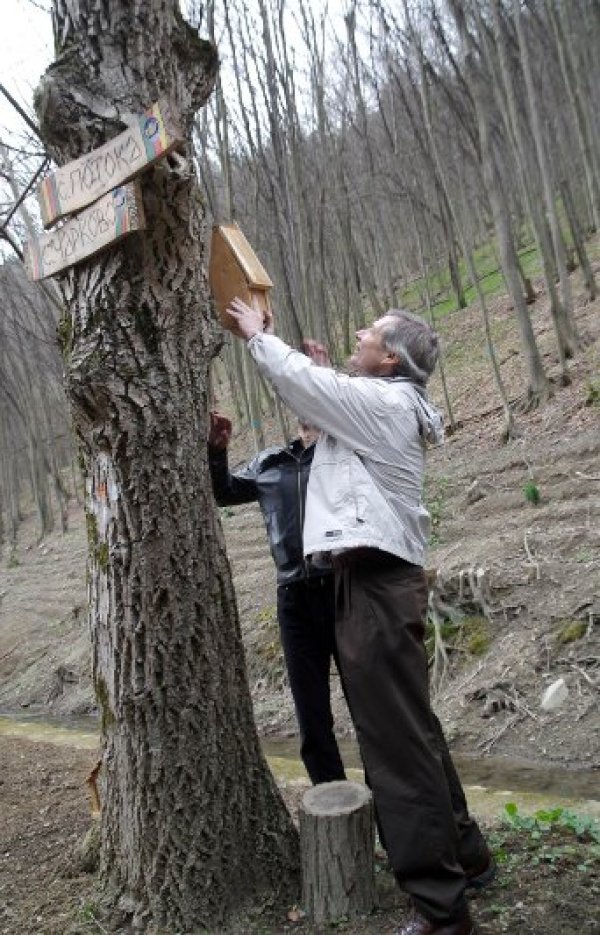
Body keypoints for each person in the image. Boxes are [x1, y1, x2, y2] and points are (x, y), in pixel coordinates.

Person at [223, 298, 494, 935]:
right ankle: (469, 855)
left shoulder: (389, 405)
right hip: (368, 582)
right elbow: (322, 401)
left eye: (368, 333)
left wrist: (261, 337)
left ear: (390, 359)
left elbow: (305, 385)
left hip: (374, 586)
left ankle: (441, 909)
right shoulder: (378, 404)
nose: (356, 331)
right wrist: (318, 373)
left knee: (394, 750)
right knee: (413, 732)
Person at [208, 411, 346, 786]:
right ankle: (334, 811)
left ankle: (388, 815)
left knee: (369, 710)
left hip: (344, 592)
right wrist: (217, 451)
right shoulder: (269, 462)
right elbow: (224, 491)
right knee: (312, 718)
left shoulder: (344, 454)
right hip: (294, 599)